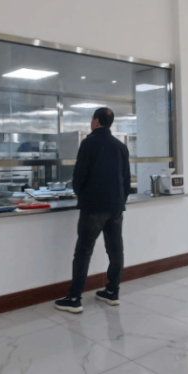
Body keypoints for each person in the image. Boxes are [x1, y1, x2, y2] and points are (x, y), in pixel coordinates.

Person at [55, 107, 130, 313]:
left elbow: (79, 176)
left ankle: (74, 298)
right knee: (115, 250)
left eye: (91, 119)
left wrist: (82, 195)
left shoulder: (89, 143)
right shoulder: (120, 146)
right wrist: (119, 201)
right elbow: (126, 180)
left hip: (93, 207)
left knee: (83, 252)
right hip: (116, 207)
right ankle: (112, 292)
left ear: (96, 121)